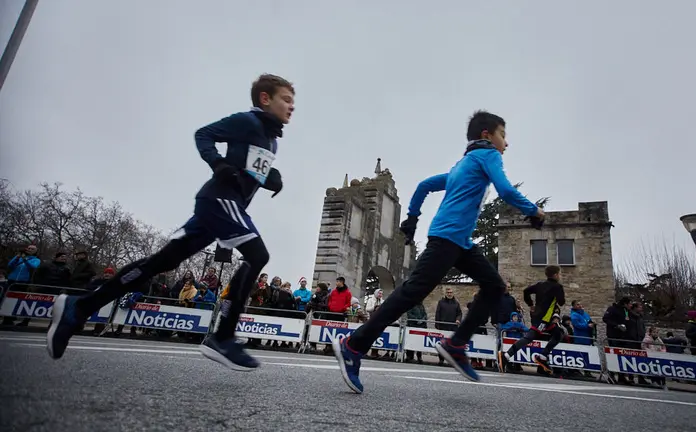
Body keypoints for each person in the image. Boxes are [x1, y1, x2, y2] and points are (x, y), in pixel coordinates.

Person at [45, 73, 295, 371]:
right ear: (265, 98)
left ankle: (79, 308)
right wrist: (217, 163)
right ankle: (223, 336)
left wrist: (270, 177)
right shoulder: (247, 121)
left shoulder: (270, 138)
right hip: (219, 201)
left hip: (223, 207)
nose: (292, 107)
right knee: (258, 255)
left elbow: (252, 169)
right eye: (287, 100)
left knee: (160, 263)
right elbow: (203, 134)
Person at [332, 110, 545, 393]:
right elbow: (505, 190)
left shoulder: (464, 164)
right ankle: (353, 345)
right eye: (503, 135)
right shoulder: (488, 155)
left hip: (460, 242)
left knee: (494, 285)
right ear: (487, 136)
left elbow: (424, 186)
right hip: (447, 238)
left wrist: (412, 217)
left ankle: (456, 344)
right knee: (411, 293)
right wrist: (534, 211)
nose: (506, 143)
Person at [501, 265, 565, 374]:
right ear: (555, 275)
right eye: (559, 274)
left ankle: (542, 356)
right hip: (544, 319)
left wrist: (531, 304)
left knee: (558, 333)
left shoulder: (540, 285)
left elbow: (526, 291)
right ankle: (506, 356)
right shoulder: (557, 287)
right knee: (530, 337)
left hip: (539, 316)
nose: (560, 276)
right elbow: (561, 302)